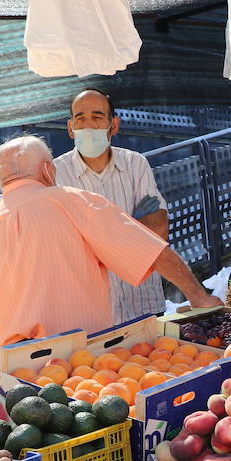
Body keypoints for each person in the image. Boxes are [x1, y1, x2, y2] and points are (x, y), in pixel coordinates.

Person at [0, 136, 220, 382]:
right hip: (81, 363)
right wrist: (200, 298)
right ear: (48, 170)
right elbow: (151, 250)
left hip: (14, 372)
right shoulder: (73, 201)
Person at [54, 89, 170, 322]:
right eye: (80, 119)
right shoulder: (55, 174)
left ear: (113, 125)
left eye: (97, 117)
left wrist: (97, 241)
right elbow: (64, 247)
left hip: (142, 301)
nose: (88, 126)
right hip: (91, 314)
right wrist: (133, 227)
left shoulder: (136, 163)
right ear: (70, 128)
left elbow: (158, 229)